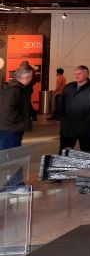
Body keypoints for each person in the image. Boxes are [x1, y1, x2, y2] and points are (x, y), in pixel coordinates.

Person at [0, 62, 35, 190]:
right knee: (13, 157)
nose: (32, 79)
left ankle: (7, 185)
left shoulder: (15, 87)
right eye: (31, 76)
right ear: (26, 77)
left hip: (8, 128)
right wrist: (20, 121)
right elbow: (7, 109)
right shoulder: (15, 89)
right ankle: (15, 185)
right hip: (10, 129)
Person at [58, 66, 90, 154]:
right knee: (64, 152)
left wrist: (88, 121)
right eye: (75, 74)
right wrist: (63, 118)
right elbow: (61, 103)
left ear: (87, 74)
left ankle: (88, 168)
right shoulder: (68, 87)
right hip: (68, 127)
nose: (76, 76)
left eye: (79, 73)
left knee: (88, 153)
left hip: (86, 128)